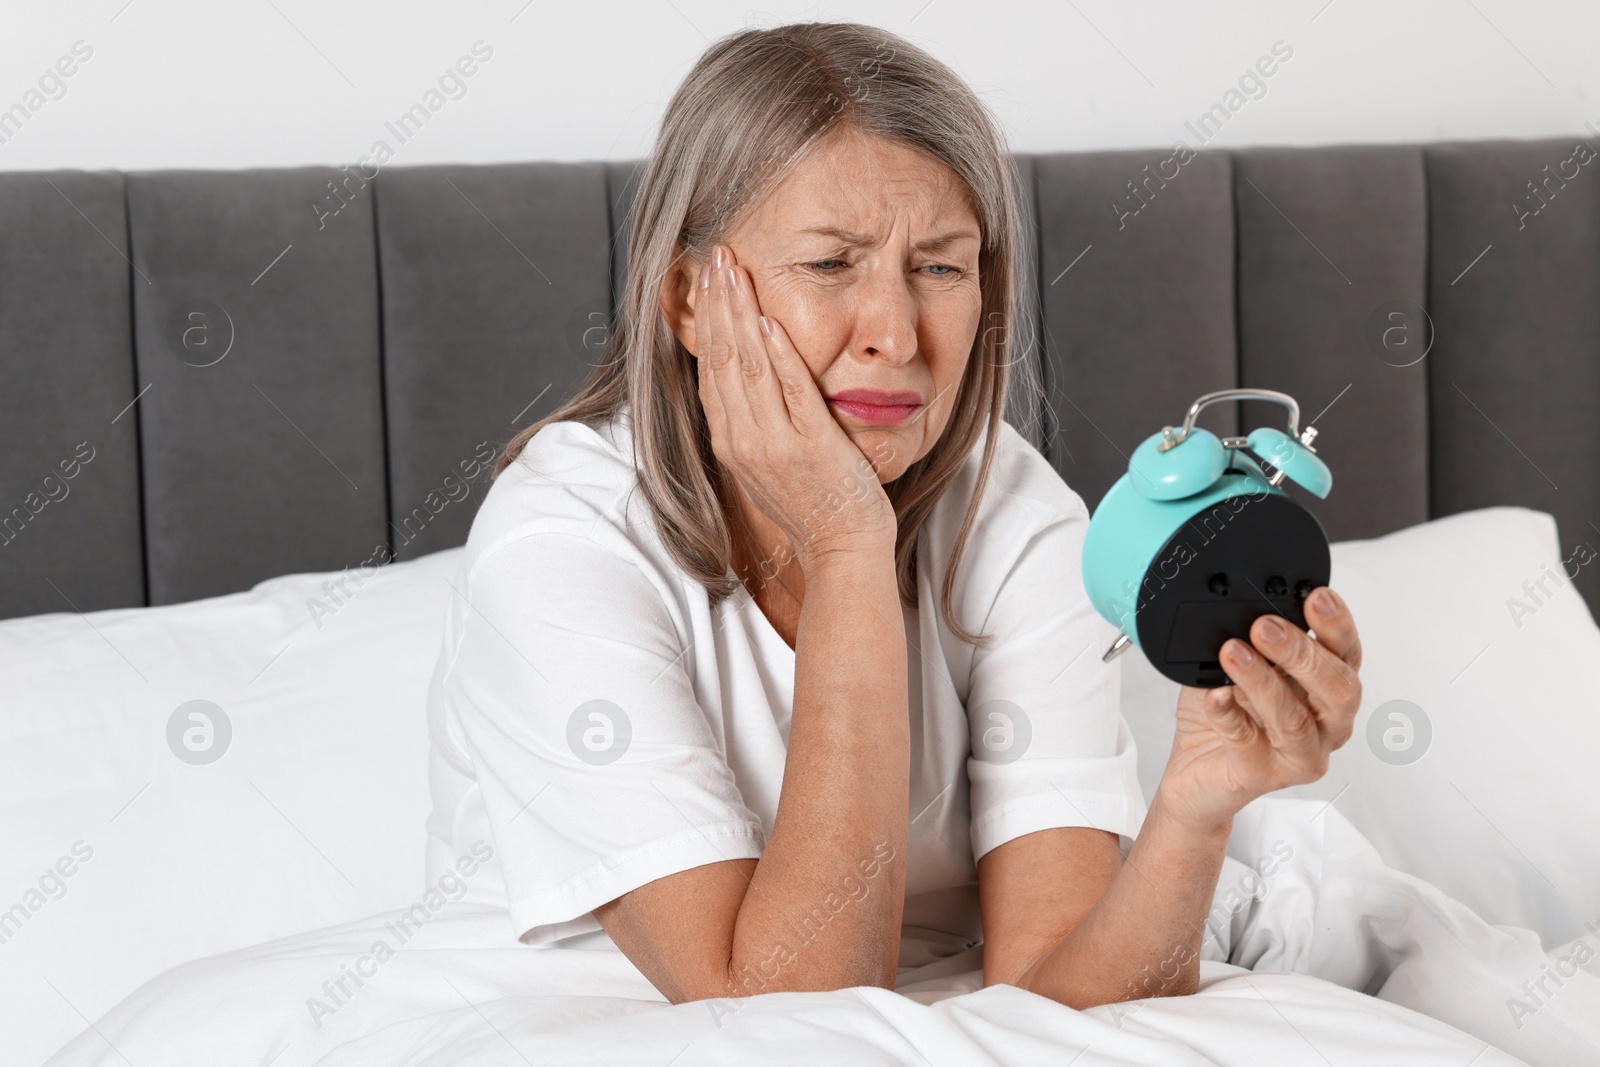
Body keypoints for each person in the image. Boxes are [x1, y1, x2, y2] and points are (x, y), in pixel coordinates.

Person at [423, 20, 1363, 1009]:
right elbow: (783, 1010)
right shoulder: (559, 545)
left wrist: (1194, 807)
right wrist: (846, 541)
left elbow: (1060, 996)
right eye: (830, 265)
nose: (895, 333)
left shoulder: (1014, 514)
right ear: (690, 299)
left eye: (942, 267)